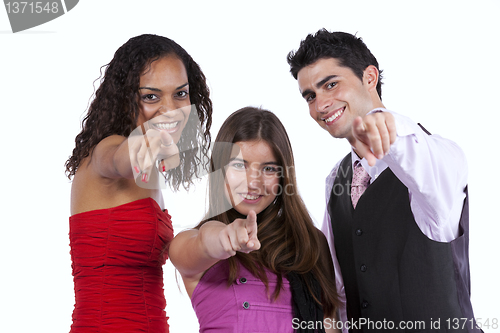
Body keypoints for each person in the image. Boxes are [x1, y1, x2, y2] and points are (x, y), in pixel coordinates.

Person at [287, 29, 481, 332]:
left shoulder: (440, 157)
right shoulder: (334, 181)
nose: (321, 105)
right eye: (310, 95)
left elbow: (419, 159)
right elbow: (340, 289)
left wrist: (385, 123)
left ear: (369, 78)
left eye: (331, 84)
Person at [65, 34, 212, 333]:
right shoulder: (106, 153)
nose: (170, 109)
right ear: (124, 98)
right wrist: (142, 145)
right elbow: (118, 158)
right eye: (151, 96)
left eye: (180, 94)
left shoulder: (152, 170)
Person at [169, 107, 341, 333]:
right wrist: (224, 238)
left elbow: (330, 325)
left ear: (282, 176)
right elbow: (203, 241)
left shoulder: (311, 243)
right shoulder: (187, 244)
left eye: (268, 168)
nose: (253, 182)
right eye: (240, 165)